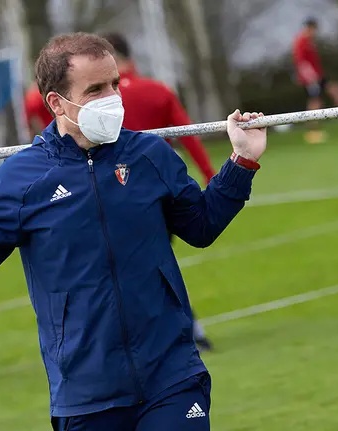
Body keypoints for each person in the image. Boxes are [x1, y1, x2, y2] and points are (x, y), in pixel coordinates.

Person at [0, 33, 266, 430]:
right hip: (85, 395)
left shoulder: (149, 154)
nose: (113, 97)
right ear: (56, 103)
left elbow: (201, 226)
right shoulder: (21, 179)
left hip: (172, 377)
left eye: (114, 84)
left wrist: (242, 161)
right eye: (96, 89)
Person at [101, 32, 216, 352]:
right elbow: (191, 136)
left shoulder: (96, 103)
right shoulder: (157, 90)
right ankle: (189, 330)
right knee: (154, 263)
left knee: (129, 270)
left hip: (114, 196)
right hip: (161, 191)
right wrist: (210, 176)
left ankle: (182, 330)